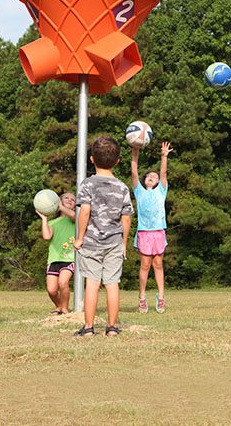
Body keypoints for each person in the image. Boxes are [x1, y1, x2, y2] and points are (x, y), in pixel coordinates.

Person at [73, 136, 133, 337]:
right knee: (112, 283)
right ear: (117, 161)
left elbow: (85, 212)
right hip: (114, 242)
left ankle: (89, 328)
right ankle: (112, 328)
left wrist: (80, 238)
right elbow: (126, 217)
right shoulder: (122, 187)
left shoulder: (88, 184)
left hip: (91, 242)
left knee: (92, 283)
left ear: (91, 159)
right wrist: (123, 242)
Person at [130, 142, 173, 314]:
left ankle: (161, 298)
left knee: (158, 264)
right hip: (144, 233)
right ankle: (142, 297)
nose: (152, 177)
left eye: (154, 177)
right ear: (144, 180)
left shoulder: (161, 191)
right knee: (145, 265)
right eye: (148, 176)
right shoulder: (139, 191)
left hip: (158, 232)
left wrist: (164, 156)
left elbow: (163, 172)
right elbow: (134, 172)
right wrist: (135, 154)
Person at [37, 192, 76, 315]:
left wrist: (60, 206)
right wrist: (44, 219)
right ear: (59, 200)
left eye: (73, 200)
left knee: (63, 283)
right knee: (51, 290)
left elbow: (74, 216)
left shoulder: (75, 219)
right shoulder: (53, 223)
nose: (70, 200)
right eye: (66, 198)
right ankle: (59, 306)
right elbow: (47, 236)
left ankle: (64, 308)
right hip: (54, 259)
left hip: (69, 258)